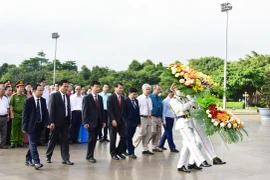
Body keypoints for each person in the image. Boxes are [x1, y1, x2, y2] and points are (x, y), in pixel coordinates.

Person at [170, 88, 211, 173]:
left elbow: (193, 107)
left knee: (186, 146)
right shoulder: (173, 100)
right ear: (174, 90)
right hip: (182, 123)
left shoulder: (185, 98)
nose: (181, 91)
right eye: (178, 89)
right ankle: (200, 161)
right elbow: (182, 108)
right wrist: (192, 101)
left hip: (190, 122)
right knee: (192, 141)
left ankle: (181, 165)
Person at [187, 95, 225, 168]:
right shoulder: (188, 95)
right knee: (204, 139)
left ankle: (191, 162)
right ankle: (214, 158)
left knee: (198, 142)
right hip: (194, 121)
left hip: (199, 120)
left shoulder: (198, 93)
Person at [46, 79, 74, 165]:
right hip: (56, 122)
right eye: (64, 86)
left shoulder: (68, 97)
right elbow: (51, 110)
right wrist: (51, 122)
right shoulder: (54, 96)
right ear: (60, 86)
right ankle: (48, 156)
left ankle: (65, 158)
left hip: (65, 122)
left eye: (67, 86)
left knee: (65, 140)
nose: (66, 88)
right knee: (53, 140)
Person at [22, 84, 50, 170]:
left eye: (42, 90)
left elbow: (45, 112)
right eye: (39, 90)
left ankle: (28, 158)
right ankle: (37, 162)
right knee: (33, 144)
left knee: (34, 144)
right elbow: (25, 115)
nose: (41, 92)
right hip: (31, 126)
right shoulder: (28, 101)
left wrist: (47, 122)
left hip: (40, 125)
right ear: (34, 91)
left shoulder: (43, 100)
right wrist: (24, 127)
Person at [82, 81, 106, 163]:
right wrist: (85, 122)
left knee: (95, 139)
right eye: (96, 87)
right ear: (91, 87)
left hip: (98, 122)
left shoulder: (100, 98)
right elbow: (84, 111)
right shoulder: (87, 98)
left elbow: (101, 110)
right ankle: (90, 156)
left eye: (99, 87)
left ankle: (90, 155)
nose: (98, 88)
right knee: (91, 139)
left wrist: (103, 121)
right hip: (90, 122)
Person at [107, 82, 126, 160]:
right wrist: (113, 119)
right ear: (115, 88)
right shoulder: (111, 97)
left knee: (124, 136)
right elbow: (110, 110)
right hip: (113, 121)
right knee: (113, 138)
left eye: (122, 88)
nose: (121, 89)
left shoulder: (122, 98)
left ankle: (119, 151)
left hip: (121, 121)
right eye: (120, 88)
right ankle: (113, 153)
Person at [133, 84, 153, 155]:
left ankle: (145, 148)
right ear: (143, 90)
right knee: (142, 133)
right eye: (147, 89)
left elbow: (150, 109)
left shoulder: (149, 98)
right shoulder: (139, 98)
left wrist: (150, 117)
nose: (148, 91)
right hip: (142, 117)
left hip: (148, 118)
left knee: (148, 133)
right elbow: (137, 110)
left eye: (149, 89)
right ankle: (133, 146)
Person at [124, 87, 140, 159]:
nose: (135, 96)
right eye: (134, 94)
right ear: (129, 93)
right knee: (129, 137)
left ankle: (123, 149)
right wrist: (124, 122)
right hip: (128, 122)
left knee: (130, 137)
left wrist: (139, 122)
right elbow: (123, 113)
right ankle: (131, 152)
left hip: (134, 123)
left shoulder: (136, 101)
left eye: (136, 94)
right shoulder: (125, 101)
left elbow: (137, 112)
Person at [10, 80, 27, 148]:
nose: (21, 88)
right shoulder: (13, 96)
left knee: (21, 129)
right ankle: (13, 142)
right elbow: (11, 105)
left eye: (22, 87)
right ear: (17, 88)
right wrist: (11, 114)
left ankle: (20, 141)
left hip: (23, 115)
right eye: (20, 87)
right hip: (16, 114)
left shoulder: (25, 96)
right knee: (14, 128)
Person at [149, 85, 163, 152]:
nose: (159, 91)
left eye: (159, 89)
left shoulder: (159, 97)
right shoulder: (150, 97)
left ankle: (155, 146)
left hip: (159, 117)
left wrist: (162, 117)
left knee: (158, 132)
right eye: (158, 89)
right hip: (153, 116)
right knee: (153, 131)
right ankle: (145, 142)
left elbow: (161, 107)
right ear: (154, 89)